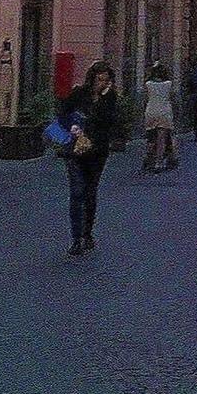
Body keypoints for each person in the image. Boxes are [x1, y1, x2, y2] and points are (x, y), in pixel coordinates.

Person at [60, 62, 118, 256]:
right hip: (75, 151)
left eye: (105, 80)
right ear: (92, 78)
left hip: (97, 152)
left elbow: (111, 122)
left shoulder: (109, 98)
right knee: (77, 192)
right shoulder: (79, 94)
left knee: (90, 191)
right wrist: (72, 129)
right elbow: (63, 114)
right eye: (99, 79)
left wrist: (102, 101)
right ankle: (76, 238)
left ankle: (87, 233)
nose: (101, 83)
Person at [142, 62, 179, 172]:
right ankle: (159, 162)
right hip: (165, 112)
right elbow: (172, 98)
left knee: (151, 138)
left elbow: (145, 99)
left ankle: (148, 158)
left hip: (151, 111)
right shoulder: (169, 84)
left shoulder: (148, 84)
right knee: (161, 138)